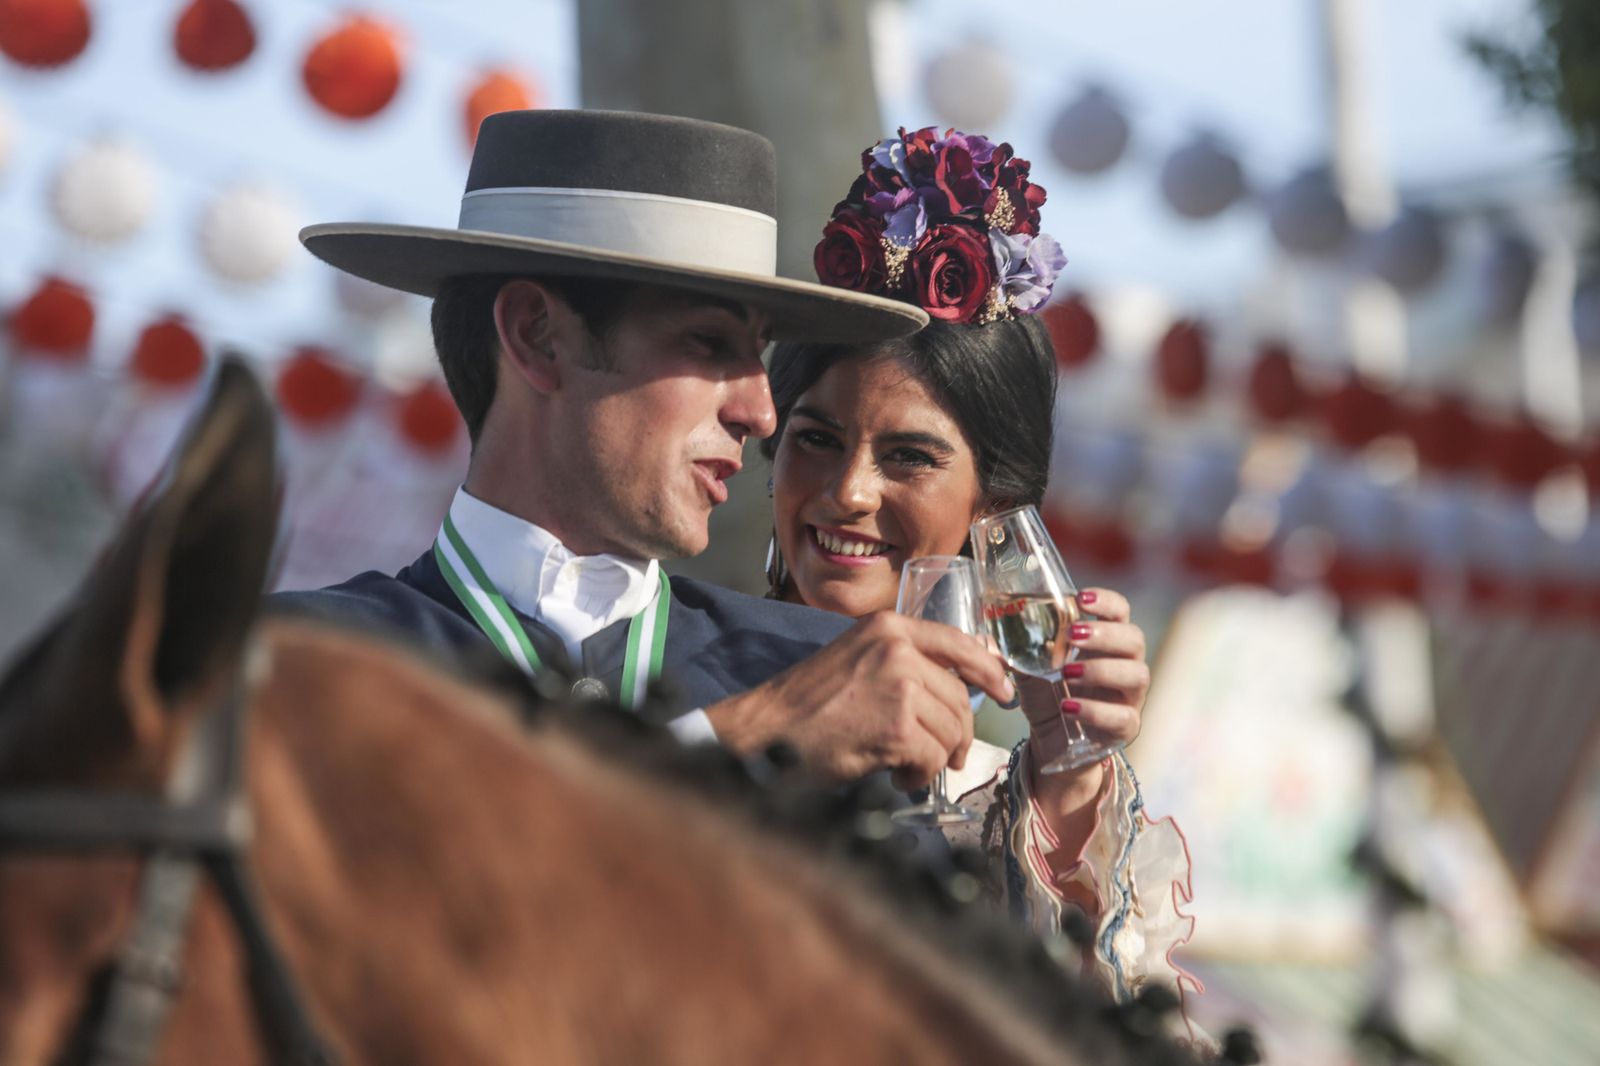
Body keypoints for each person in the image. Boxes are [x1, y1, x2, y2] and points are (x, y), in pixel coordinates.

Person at [281, 109, 1011, 797]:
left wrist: (1070, 797)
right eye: (709, 343)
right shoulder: (295, 664)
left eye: (757, 355)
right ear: (537, 334)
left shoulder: (834, 674)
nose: (761, 414)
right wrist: (736, 744)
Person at [762, 125, 1200, 1020]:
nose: (846, 493)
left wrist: (1071, 772)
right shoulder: (672, 702)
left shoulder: (1009, 801)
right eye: (814, 440)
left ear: (995, 511)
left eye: (910, 457)